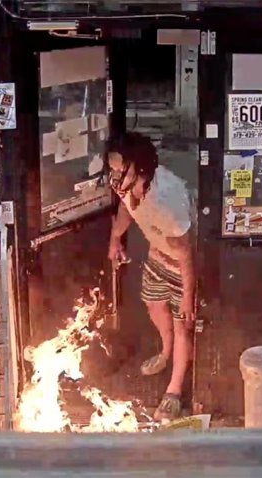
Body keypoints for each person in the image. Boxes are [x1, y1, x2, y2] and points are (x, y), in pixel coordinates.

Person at [105, 132, 195, 422]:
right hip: (158, 254)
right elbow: (126, 210)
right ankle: (167, 352)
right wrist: (115, 239)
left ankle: (174, 391)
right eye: (112, 169)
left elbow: (186, 254)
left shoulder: (167, 202)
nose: (115, 178)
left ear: (140, 169)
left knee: (183, 325)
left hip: (183, 263)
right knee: (155, 305)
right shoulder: (129, 187)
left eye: (121, 171)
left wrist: (188, 298)